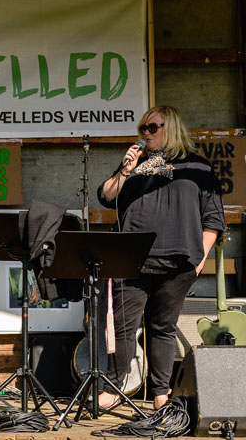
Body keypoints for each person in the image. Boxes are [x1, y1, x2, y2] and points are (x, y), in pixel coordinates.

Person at [97, 105, 225, 411]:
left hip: (178, 260)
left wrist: (200, 258)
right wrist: (125, 170)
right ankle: (114, 388)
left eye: (153, 127)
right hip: (131, 258)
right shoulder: (134, 166)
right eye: (144, 128)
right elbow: (106, 195)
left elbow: (213, 220)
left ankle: (160, 394)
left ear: (173, 129)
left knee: (162, 328)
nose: (147, 133)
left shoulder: (199, 168)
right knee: (123, 325)